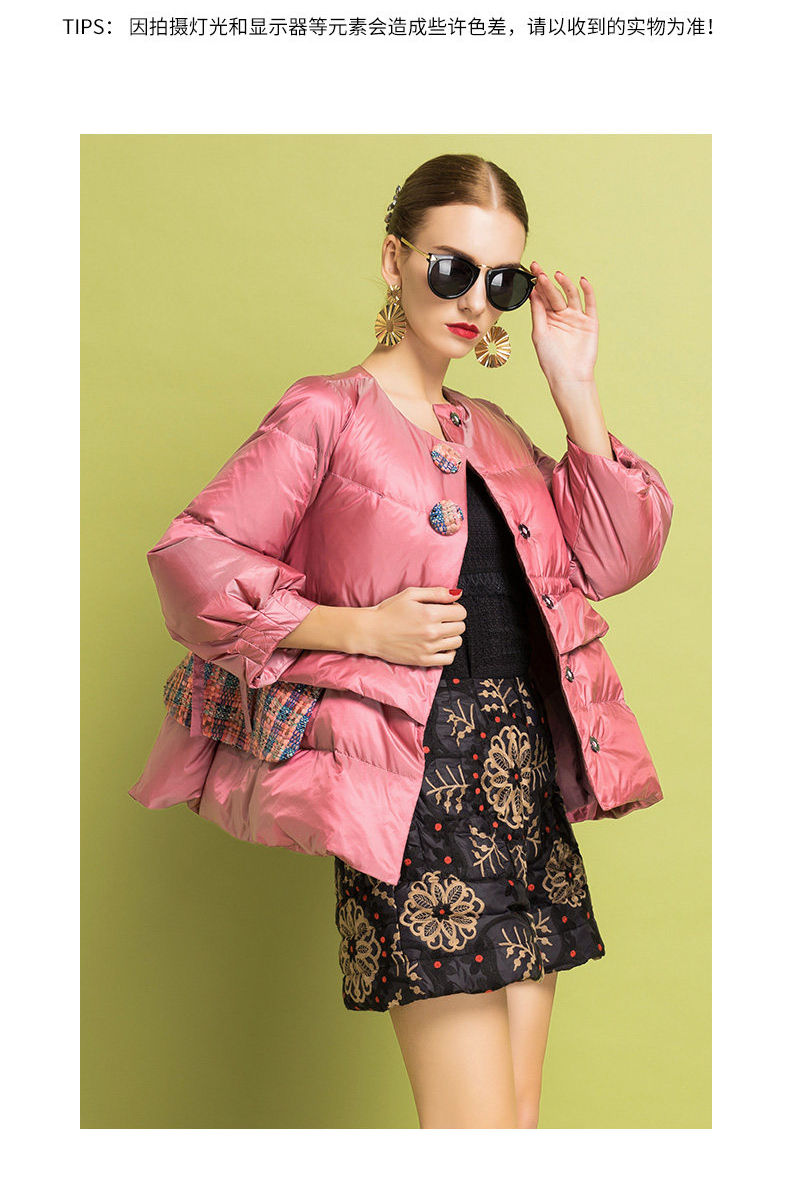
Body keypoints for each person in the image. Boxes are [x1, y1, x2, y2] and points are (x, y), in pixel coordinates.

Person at [130, 152, 673, 1129]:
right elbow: (192, 559)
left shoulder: (492, 430)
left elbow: (615, 556)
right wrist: (358, 628)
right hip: (412, 782)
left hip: (519, 779)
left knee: (514, 1121)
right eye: (451, 268)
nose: (474, 300)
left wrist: (575, 389)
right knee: (472, 1130)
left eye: (501, 281)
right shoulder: (325, 411)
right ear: (394, 259)